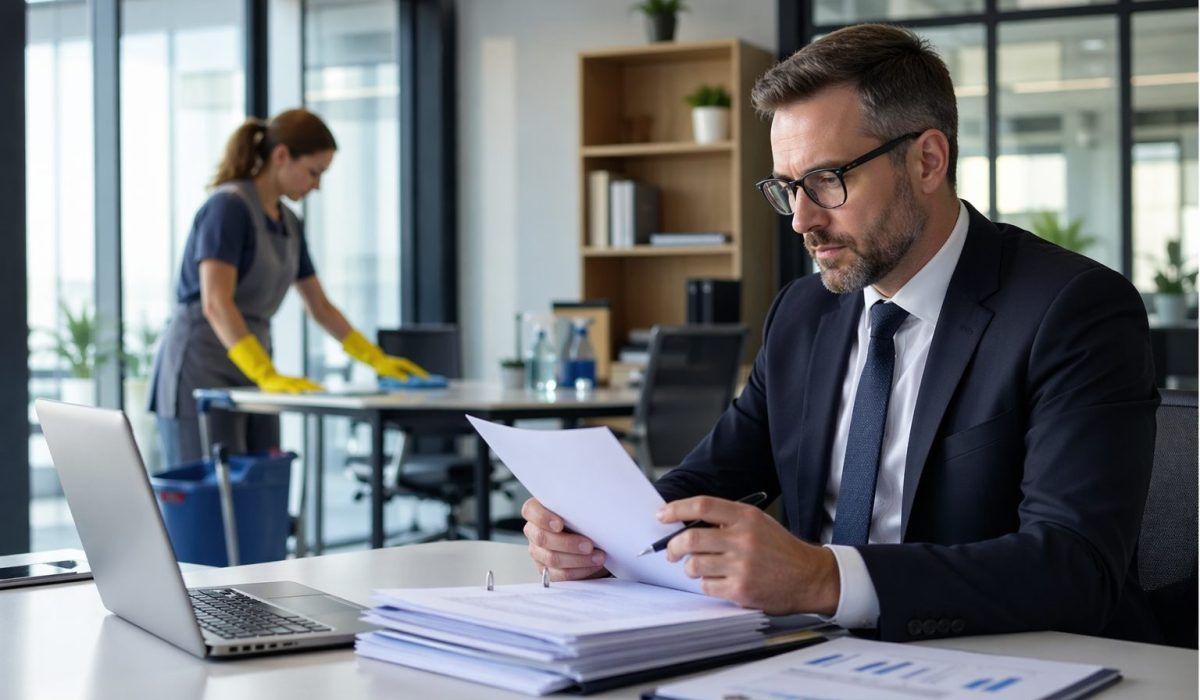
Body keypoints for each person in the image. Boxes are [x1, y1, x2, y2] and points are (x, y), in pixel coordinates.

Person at [523, 24, 1161, 643]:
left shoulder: (1072, 310)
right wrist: (599, 537)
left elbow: (1076, 565)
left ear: (927, 161)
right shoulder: (803, 314)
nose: (802, 219)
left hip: (998, 661)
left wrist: (823, 578)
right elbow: (703, 484)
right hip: (809, 658)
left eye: (827, 180)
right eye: (787, 187)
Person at [148, 108, 428, 468]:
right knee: (212, 495)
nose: (317, 185)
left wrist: (374, 359)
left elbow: (319, 307)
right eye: (314, 172)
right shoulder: (227, 208)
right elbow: (216, 302)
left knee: (262, 483)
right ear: (281, 156)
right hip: (201, 366)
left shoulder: (290, 224)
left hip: (254, 364)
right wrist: (265, 373)